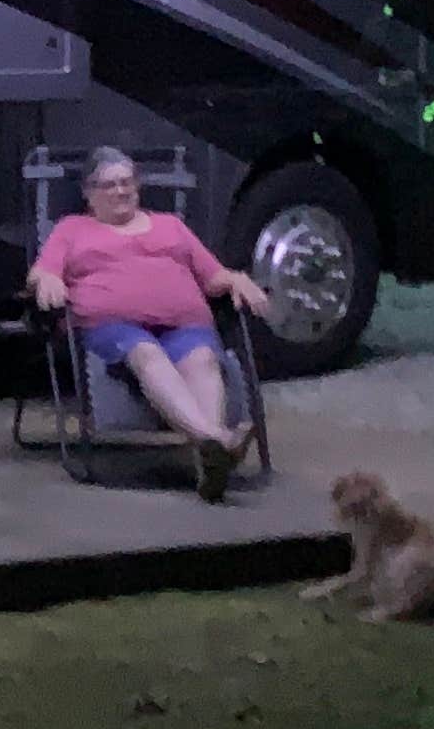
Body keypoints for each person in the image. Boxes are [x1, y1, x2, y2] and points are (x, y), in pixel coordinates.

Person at [29, 148, 274, 497]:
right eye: (110, 184)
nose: (121, 191)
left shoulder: (170, 225)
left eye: (127, 182)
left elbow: (213, 275)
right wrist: (47, 279)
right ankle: (216, 440)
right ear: (89, 193)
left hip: (184, 324)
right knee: (147, 354)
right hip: (115, 328)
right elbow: (42, 272)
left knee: (204, 360)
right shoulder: (73, 229)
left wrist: (236, 279)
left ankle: (211, 457)